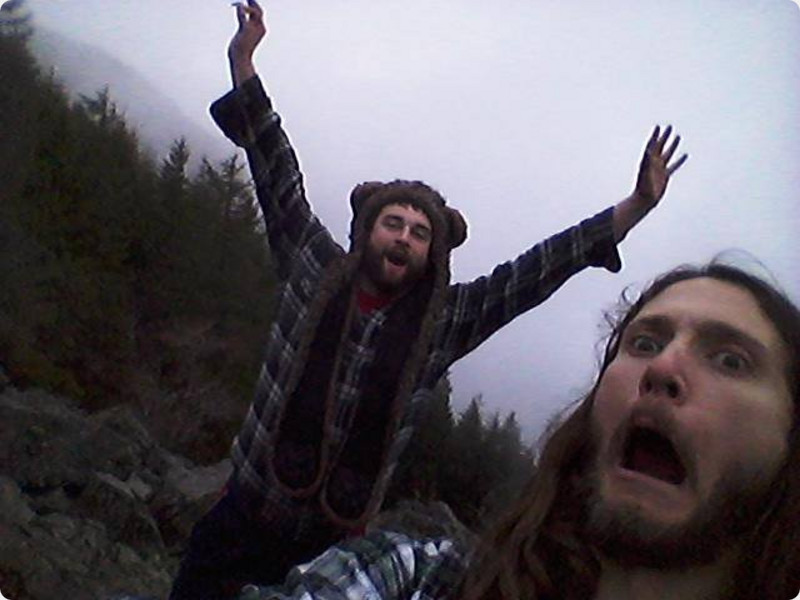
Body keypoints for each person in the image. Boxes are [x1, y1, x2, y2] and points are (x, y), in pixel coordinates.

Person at [169, 1, 688, 598]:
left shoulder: (442, 324)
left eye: (420, 233)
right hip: (242, 518)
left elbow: (535, 272)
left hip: (330, 554)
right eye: (393, 223)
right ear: (366, 230)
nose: (404, 238)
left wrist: (633, 208)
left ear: (433, 253)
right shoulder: (311, 266)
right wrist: (243, 62)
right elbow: (274, 166)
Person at [238, 261, 800, 600]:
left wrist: (617, 220)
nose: (662, 367)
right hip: (246, 503)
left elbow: (522, 279)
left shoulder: (440, 322)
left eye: (730, 360)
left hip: (339, 515)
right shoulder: (420, 578)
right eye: (645, 342)